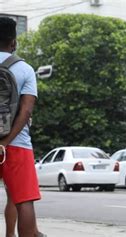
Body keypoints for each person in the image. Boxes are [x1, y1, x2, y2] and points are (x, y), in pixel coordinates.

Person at [0, 17, 44, 237]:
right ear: (13, 42)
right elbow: (26, 111)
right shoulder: (25, 69)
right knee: (23, 200)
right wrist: (5, 143)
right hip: (17, 144)